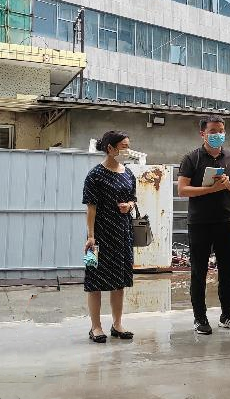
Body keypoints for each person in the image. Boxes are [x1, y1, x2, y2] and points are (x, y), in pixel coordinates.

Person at [178, 116, 230, 335]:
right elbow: (182, 190)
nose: (218, 135)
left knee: (227, 271)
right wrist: (211, 189)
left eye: (221, 131)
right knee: (198, 272)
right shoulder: (192, 158)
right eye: (213, 131)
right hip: (200, 222)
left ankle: (227, 315)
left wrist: (228, 185)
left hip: (227, 221)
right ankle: (200, 317)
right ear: (203, 134)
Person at [83, 130, 137, 343]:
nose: (127, 150)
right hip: (97, 236)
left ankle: (117, 324)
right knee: (93, 280)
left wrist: (129, 205)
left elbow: (133, 199)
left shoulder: (128, 173)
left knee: (119, 281)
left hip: (123, 234)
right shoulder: (94, 175)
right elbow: (91, 208)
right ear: (110, 148)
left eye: (128, 145)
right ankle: (95, 327)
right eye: (124, 146)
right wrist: (90, 236)